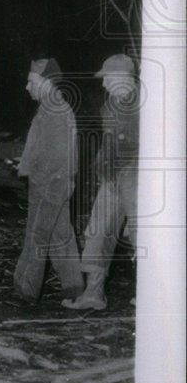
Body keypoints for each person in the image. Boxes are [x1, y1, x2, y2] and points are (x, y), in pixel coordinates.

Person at [63, 54, 139, 310]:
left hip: (137, 176)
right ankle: (94, 293)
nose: (104, 83)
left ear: (123, 78)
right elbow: (108, 144)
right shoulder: (110, 106)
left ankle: (152, 291)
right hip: (112, 178)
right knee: (97, 232)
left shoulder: (148, 104)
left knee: (144, 234)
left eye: (107, 78)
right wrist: (100, 167)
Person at [13, 58, 84, 303]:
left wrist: (41, 177)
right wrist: (26, 164)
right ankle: (74, 288)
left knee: (37, 235)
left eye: (31, 82)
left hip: (52, 183)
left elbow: (58, 155)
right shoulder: (49, 108)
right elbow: (45, 149)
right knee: (61, 236)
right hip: (53, 181)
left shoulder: (55, 110)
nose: (27, 87)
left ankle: (25, 292)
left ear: (45, 82)